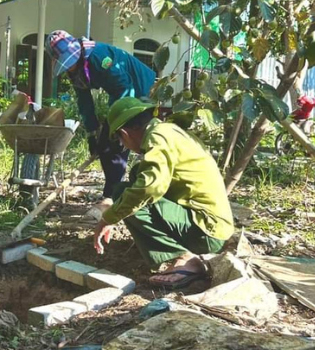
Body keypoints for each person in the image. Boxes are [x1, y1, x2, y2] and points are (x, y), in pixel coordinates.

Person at [93, 98, 235, 289]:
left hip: (206, 232)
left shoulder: (157, 137)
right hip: (210, 225)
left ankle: (184, 259)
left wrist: (108, 218)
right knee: (137, 173)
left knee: (123, 192)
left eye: (120, 140)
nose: (124, 145)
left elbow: (150, 188)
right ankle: (172, 248)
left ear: (125, 133)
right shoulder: (169, 131)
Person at [48, 31, 158, 208]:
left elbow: (124, 86)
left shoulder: (100, 57)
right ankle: (112, 191)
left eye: (71, 61)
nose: (70, 66)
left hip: (143, 90)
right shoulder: (75, 73)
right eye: (66, 64)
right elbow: (84, 101)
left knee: (120, 141)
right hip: (123, 94)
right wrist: (92, 132)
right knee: (104, 146)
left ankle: (112, 196)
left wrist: (116, 122)